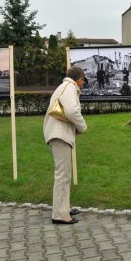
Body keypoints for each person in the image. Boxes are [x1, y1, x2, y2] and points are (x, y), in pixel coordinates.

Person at [44, 66, 88, 225]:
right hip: (59, 135)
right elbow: (71, 111)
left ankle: (64, 207)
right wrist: (83, 127)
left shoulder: (63, 87)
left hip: (58, 134)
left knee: (64, 174)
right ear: (78, 78)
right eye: (83, 79)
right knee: (62, 175)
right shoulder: (70, 88)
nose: (83, 83)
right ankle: (60, 214)